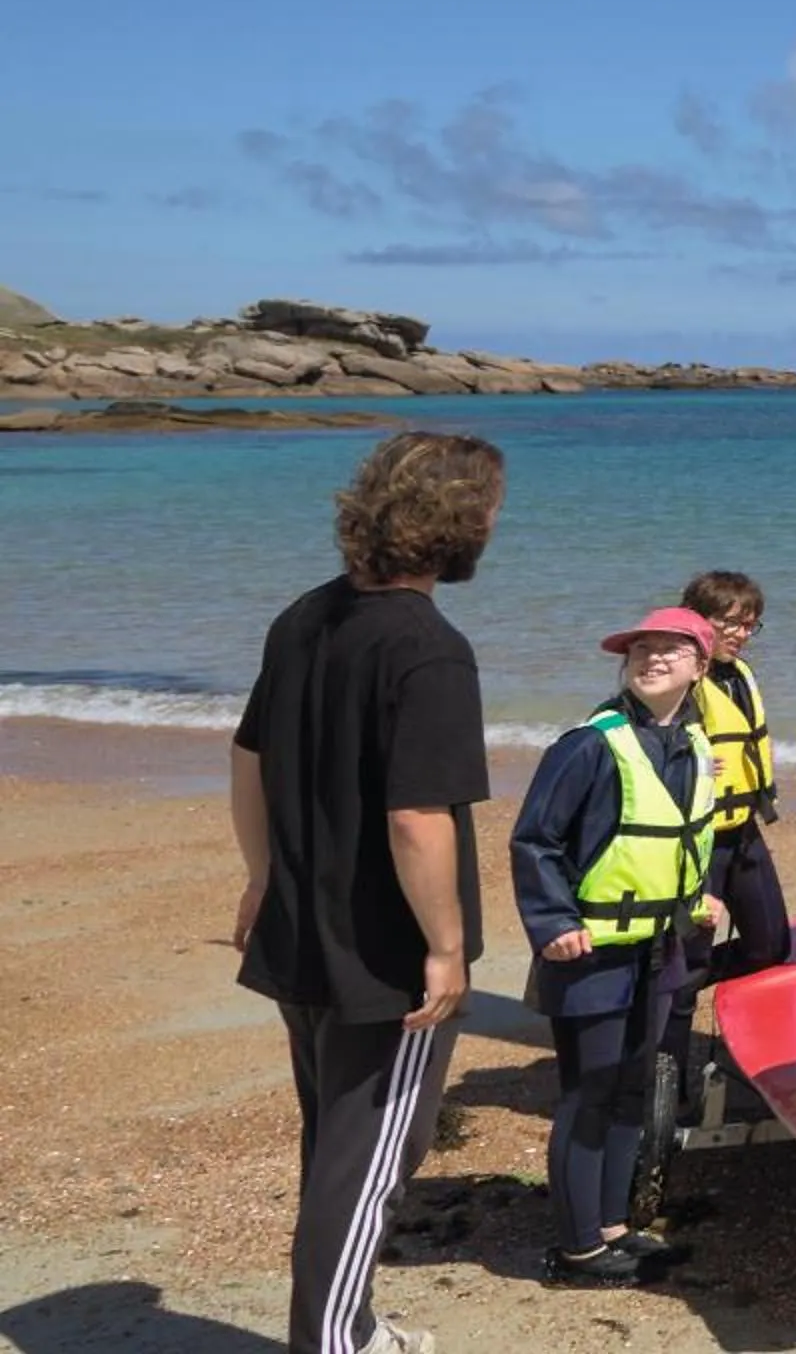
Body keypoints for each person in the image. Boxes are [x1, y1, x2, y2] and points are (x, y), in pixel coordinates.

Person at [229, 430, 506, 1354]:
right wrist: (447, 945)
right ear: (461, 523)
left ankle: (349, 1324)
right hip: (380, 952)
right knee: (373, 1158)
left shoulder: (306, 615)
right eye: (491, 509)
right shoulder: (428, 649)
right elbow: (417, 816)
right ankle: (335, 1343)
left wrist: (264, 876)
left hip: (302, 929)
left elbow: (247, 757)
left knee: (338, 1148)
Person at [511, 606, 725, 1285]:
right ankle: (578, 1250)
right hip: (592, 953)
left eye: (671, 648)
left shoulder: (691, 747)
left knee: (633, 1087)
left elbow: (684, 844)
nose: (652, 657)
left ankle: (612, 1226)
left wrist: (701, 901)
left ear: (701, 666)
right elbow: (535, 840)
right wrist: (552, 923)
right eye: (641, 649)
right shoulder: (588, 745)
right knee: (589, 1092)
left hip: (661, 948)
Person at [660, 572, 790, 1098]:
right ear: (696, 620)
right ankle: (665, 1085)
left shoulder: (738, 675)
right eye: (729, 622)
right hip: (696, 841)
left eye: (749, 625)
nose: (739, 633)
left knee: (771, 945)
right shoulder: (676, 682)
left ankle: (664, 985)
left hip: (742, 832)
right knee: (687, 964)